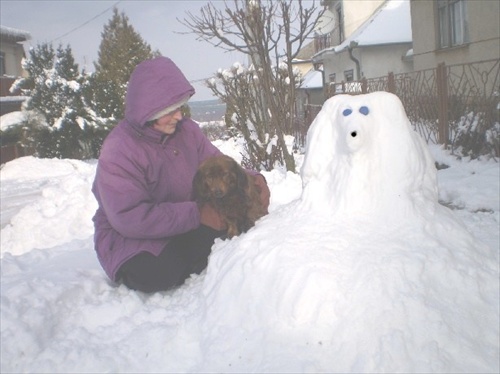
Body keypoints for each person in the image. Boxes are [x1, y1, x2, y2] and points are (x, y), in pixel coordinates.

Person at [92, 56, 270, 293]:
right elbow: (129, 217)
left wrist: (252, 179)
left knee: (235, 225)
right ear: (148, 111)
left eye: (180, 108)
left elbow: (217, 163)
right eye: (170, 111)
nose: (178, 116)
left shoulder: (187, 131)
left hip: (181, 223)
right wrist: (197, 214)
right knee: (158, 272)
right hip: (132, 238)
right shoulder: (119, 150)